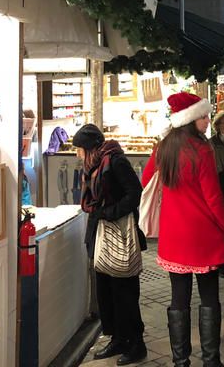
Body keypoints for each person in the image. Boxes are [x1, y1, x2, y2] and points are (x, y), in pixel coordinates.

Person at [142, 93, 224, 367]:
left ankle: (181, 362)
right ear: (191, 119)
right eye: (204, 116)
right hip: (203, 236)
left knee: (178, 298)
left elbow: (146, 180)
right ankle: (211, 361)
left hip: (173, 236)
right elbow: (213, 198)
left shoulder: (164, 147)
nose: (207, 121)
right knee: (209, 297)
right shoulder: (202, 150)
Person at [75, 124, 147, 365]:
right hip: (100, 232)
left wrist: (111, 211)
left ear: (90, 148)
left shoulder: (115, 161)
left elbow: (135, 192)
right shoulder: (94, 165)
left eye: (80, 149)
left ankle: (136, 344)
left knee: (124, 290)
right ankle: (118, 338)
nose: (77, 154)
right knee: (106, 291)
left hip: (120, 232)